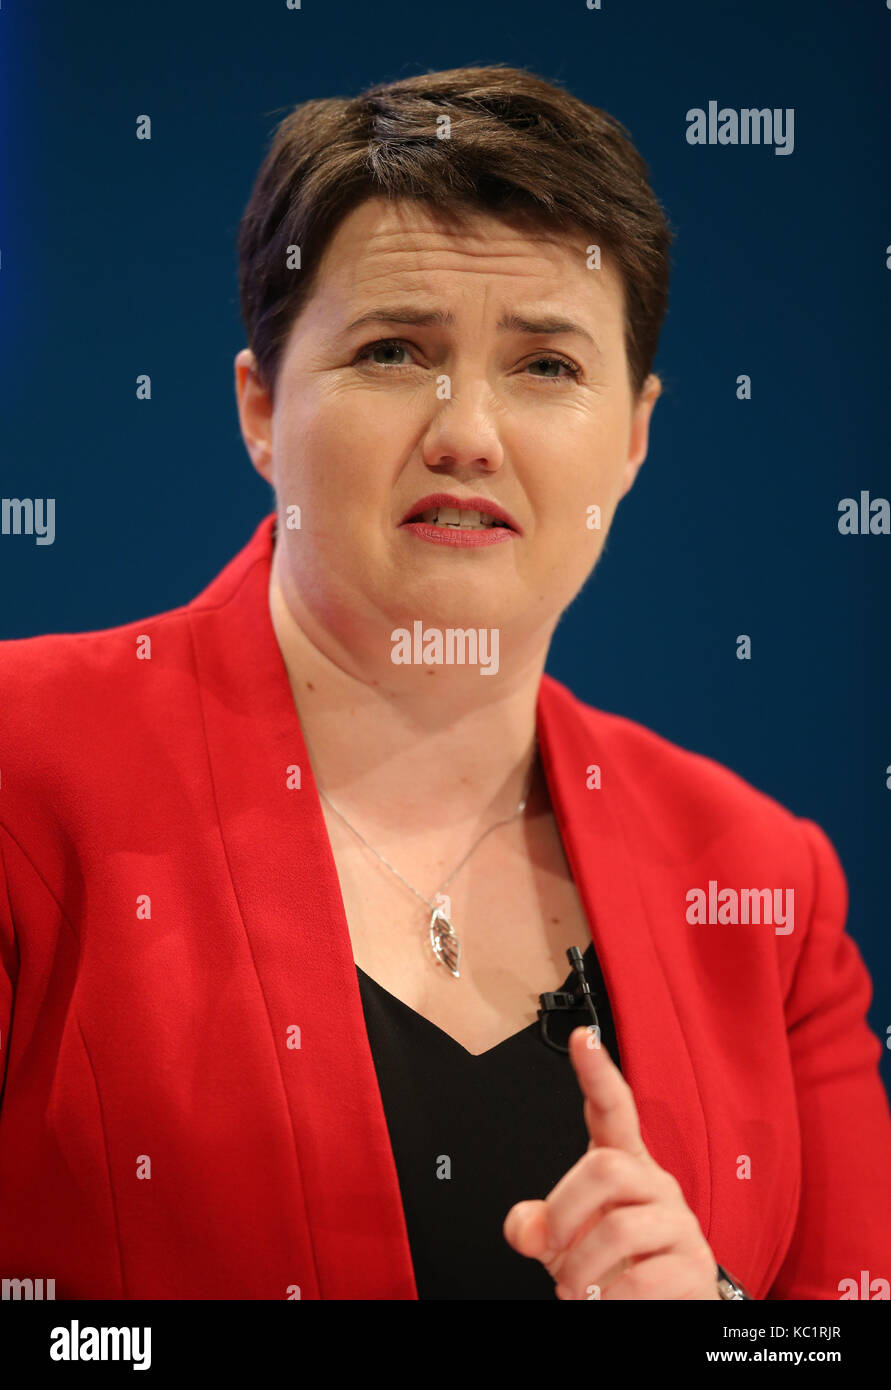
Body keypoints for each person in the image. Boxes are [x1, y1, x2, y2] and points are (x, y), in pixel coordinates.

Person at [1, 64, 889, 1302]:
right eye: (393, 349)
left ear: (633, 436)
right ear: (260, 410)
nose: (466, 428)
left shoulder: (763, 884)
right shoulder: (22, 769)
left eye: (546, 367)